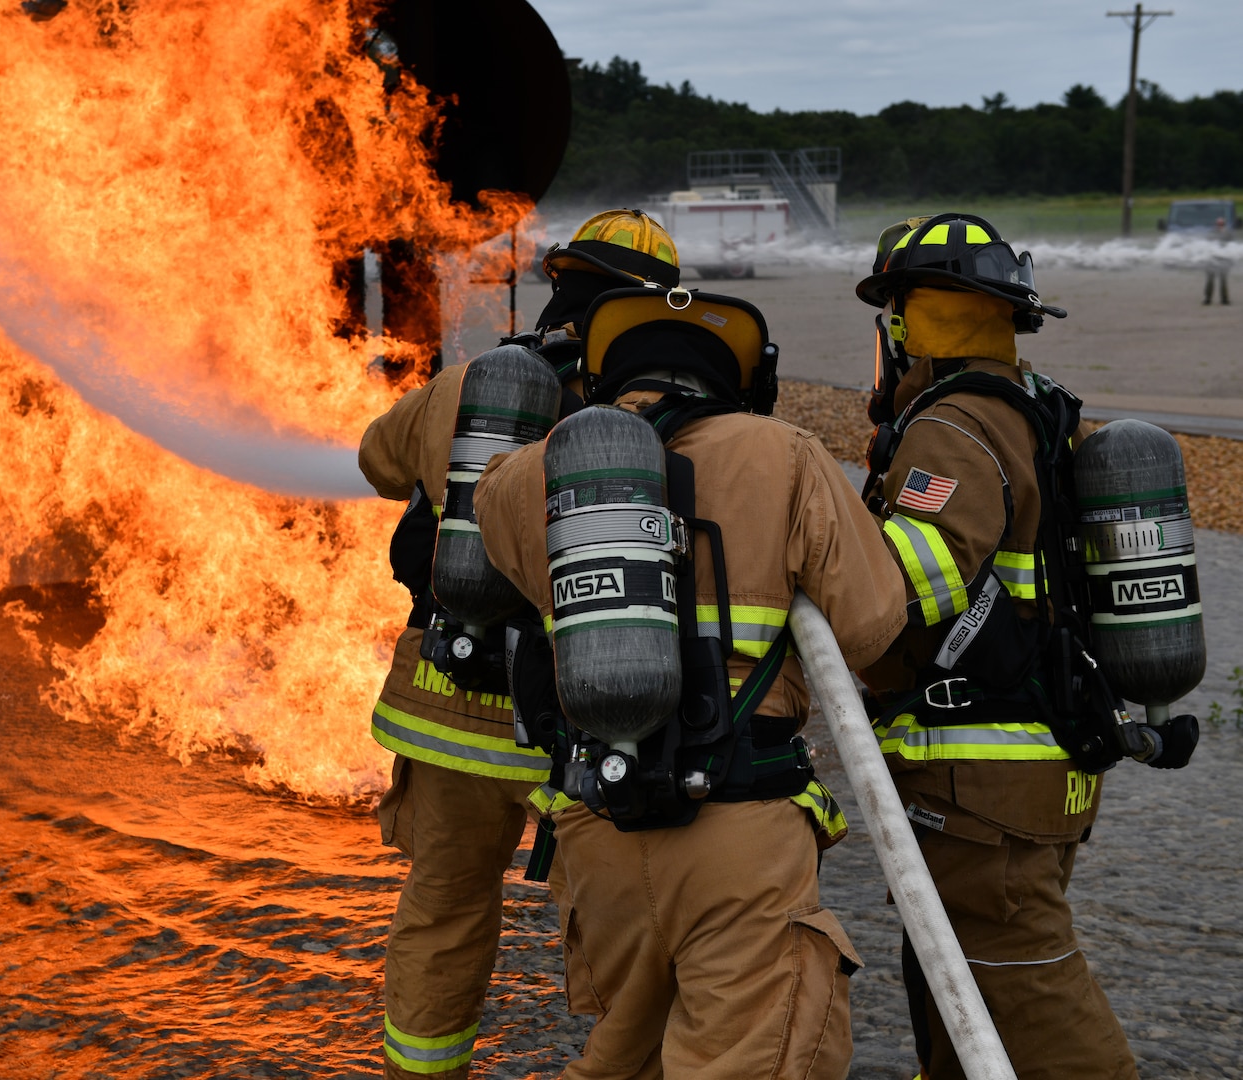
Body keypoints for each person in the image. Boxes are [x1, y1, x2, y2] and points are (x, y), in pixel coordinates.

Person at [471, 283, 907, 1078]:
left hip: (596, 828)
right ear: (743, 379)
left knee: (624, 1053)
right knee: (746, 1057)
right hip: (738, 826)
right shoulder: (785, 453)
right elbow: (872, 626)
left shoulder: (520, 479)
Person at [357, 209, 681, 1079]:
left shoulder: (470, 386)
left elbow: (378, 464)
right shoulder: (644, 411)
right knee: (618, 932)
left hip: (446, 710)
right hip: (576, 717)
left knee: (445, 908)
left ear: (559, 284)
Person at [854, 213, 1146, 1079]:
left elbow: (907, 589)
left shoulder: (954, 429)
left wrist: (809, 567)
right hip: (1039, 763)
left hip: (979, 783)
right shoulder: (1037, 410)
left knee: (1034, 1001)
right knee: (964, 1008)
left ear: (906, 322)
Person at [1204, 215, 1231, 306]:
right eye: (1218, 224)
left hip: (1224, 260)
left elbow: (1232, 246)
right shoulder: (1211, 233)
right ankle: (1207, 298)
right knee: (1210, 280)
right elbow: (1207, 245)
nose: (1220, 225)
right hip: (1212, 260)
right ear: (1215, 224)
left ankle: (1224, 299)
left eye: (1222, 224)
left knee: (1223, 280)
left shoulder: (1228, 233)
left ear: (1224, 224)